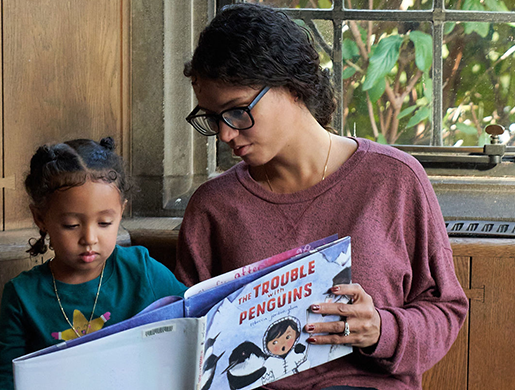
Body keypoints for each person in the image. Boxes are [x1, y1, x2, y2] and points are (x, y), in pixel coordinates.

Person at [174, 3, 468, 390]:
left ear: (292, 87)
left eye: (237, 111)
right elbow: (185, 343)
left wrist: (382, 329)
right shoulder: (214, 207)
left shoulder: (393, 180)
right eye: (212, 118)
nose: (226, 134)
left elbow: (445, 312)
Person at [0, 137, 187, 390]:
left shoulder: (141, 269)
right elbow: (6, 379)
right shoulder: (22, 295)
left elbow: (194, 318)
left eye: (105, 223)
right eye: (71, 225)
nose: (90, 239)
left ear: (121, 212)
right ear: (40, 218)